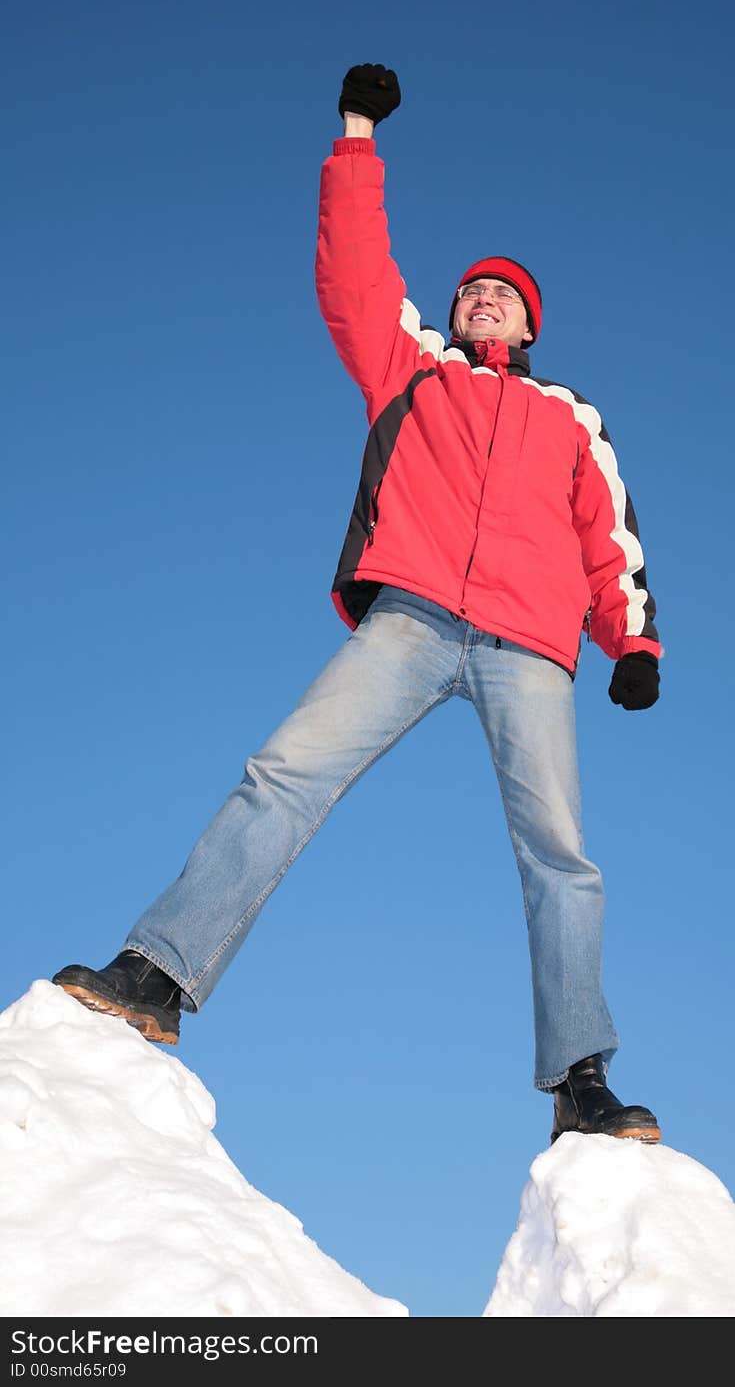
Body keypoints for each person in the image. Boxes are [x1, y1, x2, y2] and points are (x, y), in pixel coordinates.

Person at [53, 64, 665, 1145]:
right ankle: (155, 972)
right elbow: (352, 270)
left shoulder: (571, 418)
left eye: (501, 295)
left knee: (560, 854)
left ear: (527, 323)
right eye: (471, 288)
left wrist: (631, 640)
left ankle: (581, 1082)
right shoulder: (411, 370)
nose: (481, 300)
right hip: (414, 618)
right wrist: (355, 136)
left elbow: (607, 541)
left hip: (527, 644)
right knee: (284, 774)